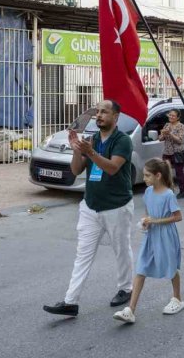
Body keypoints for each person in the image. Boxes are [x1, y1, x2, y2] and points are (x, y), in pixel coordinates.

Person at [43, 100, 135, 317]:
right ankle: (70, 301)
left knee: (121, 249)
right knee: (82, 255)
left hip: (116, 206)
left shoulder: (123, 141)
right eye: (98, 112)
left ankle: (126, 288)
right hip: (90, 206)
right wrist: (77, 151)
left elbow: (112, 168)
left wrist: (91, 152)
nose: (99, 115)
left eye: (105, 112)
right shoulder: (91, 140)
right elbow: (75, 170)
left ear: (116, 117)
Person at [113, 159, 184, 324]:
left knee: (171, 267)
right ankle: (130, 310)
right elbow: (148, 213)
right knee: (141, 268)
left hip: (166, 235)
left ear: (158, 175)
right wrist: (145, 222)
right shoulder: (148, 192)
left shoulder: (168, 194)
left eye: (147, 175)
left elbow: (178, 217)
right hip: (151, 235)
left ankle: (178, 299)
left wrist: (155, 221)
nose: (144, 178)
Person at [159, 109, 184, 199]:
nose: (171, 117)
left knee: (179, 173)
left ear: (178, 117)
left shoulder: (181, 126)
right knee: (165, 172)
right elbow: (160, 139)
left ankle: (183, 192)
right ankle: (169, 191)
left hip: (177, 152)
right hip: (167, 152)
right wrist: (162, 134)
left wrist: (170, 133)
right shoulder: (167, 125)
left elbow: (180, 140)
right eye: (170, 115)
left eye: (173, 116)